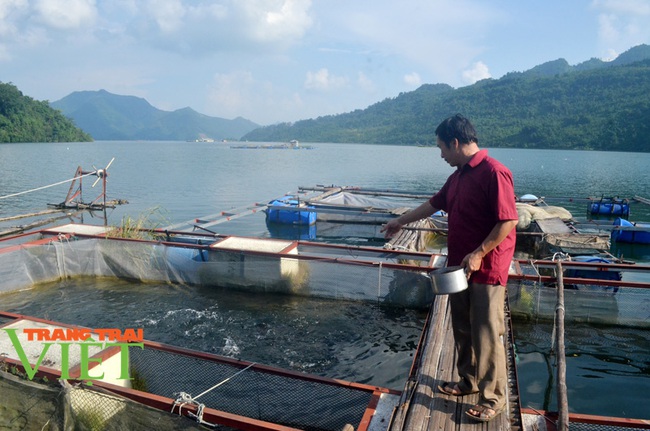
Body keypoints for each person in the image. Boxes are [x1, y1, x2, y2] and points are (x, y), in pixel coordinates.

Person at [381, 114, 518, 422]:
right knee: (462, 327)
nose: (440, 153)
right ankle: (468, 381)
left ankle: (492, 398)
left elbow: (508, 220)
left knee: (485, 332)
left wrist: (480, 252)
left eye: (441, 147)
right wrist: (399, 221)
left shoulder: (494, 172)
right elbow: (433, 204)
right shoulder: (457, 177)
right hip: (459, 267)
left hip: (486, 268)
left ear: (455, 143)